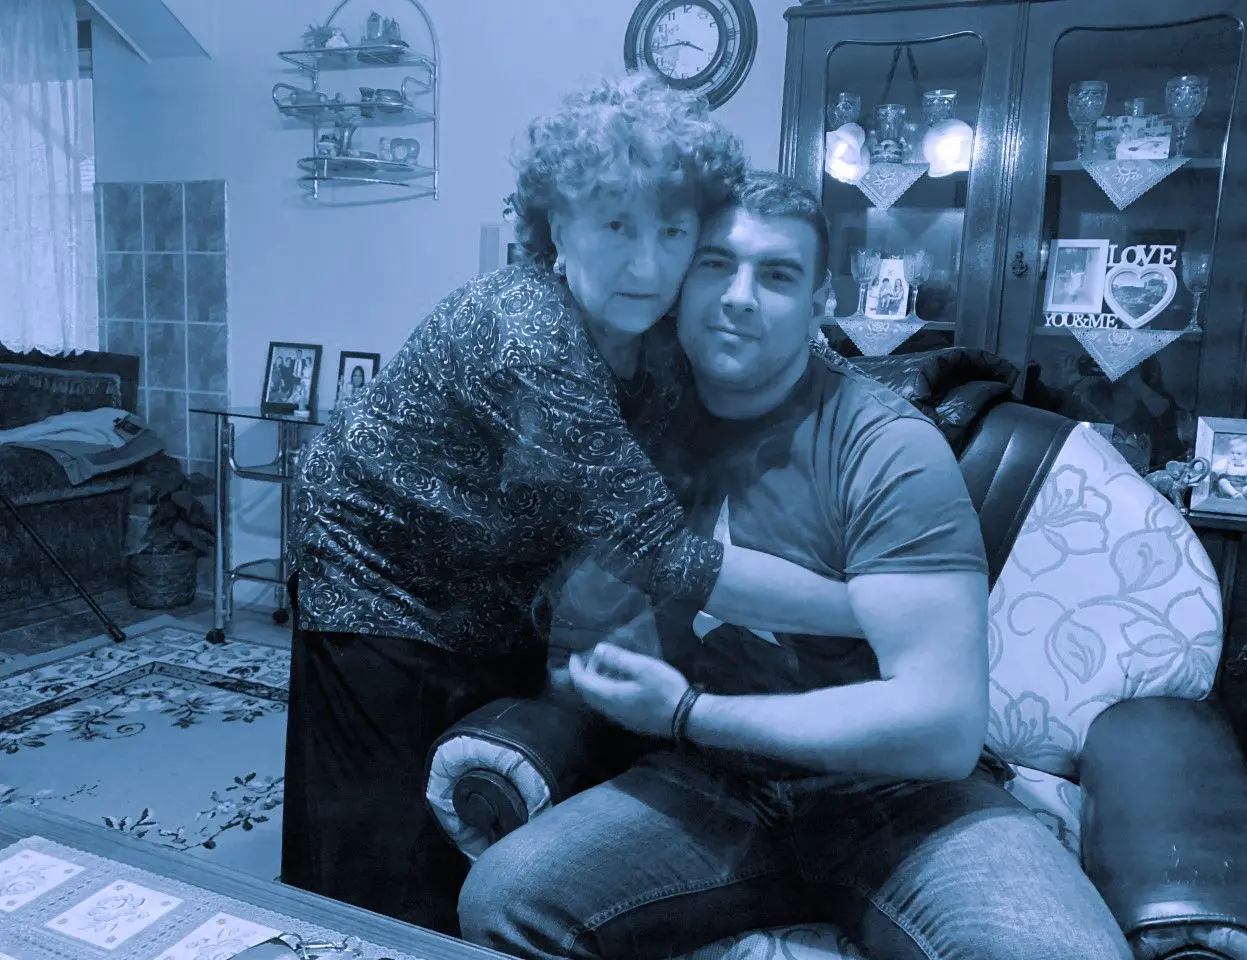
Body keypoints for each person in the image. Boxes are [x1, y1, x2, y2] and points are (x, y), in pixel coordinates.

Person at [456, 170, 1134, 960]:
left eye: (776, 275)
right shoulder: (632, 423)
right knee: (505, 900)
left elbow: (943, 728)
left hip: (900, 797)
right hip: (711, 785)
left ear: (821, 303)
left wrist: (685, 713)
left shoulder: (886, 448)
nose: (739, 296)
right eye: (716, 265)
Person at [281, 77, 865, 934]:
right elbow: (663, 551)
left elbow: (781, 370)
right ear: (558, 227)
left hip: (497, 578)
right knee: (372, 857)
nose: (648, 264)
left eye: (673, 232)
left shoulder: (653, 327)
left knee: (474, 824)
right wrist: (871, 611)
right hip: (378, 577)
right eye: (616, 226)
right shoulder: (527, 330)